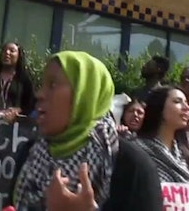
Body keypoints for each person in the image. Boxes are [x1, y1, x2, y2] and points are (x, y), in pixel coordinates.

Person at [13, 51, 163, 211]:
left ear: (84, 95)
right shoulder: (29, 153)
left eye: (53, 84)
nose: (39, 94)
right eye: (41, 85)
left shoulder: (132, 167)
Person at [135, 86, 189, 183]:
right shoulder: (137, 151)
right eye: (177, 101)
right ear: (160, 108)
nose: (186, 107)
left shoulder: (183, 155)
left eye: (186, 102)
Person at [0, 42, 35, 116]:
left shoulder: (24, 80)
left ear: (19, 56)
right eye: (4, 50)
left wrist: (18, 110)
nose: (7, 53)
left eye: (12, 51)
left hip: (13, 123)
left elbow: (31, 104)